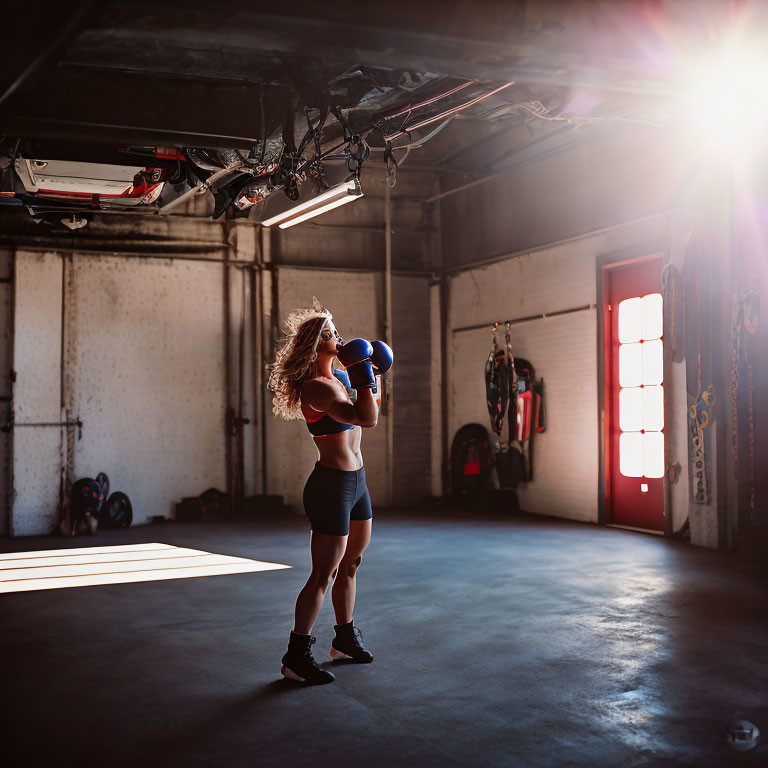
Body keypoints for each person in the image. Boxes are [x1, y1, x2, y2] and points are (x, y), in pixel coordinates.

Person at [267, 299, 393, 685]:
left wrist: (375, 373)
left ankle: (343, 639)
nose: (338, 336)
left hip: (357, 483)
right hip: (331, 488)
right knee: (323, 573)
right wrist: (363, 371)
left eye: (336, 331)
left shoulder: (339, 375)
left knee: (351, 564)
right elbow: (366, 419)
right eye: (330, 333)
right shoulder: (318, 389)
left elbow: (374, 405)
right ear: (316, 342)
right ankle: (296, 656)